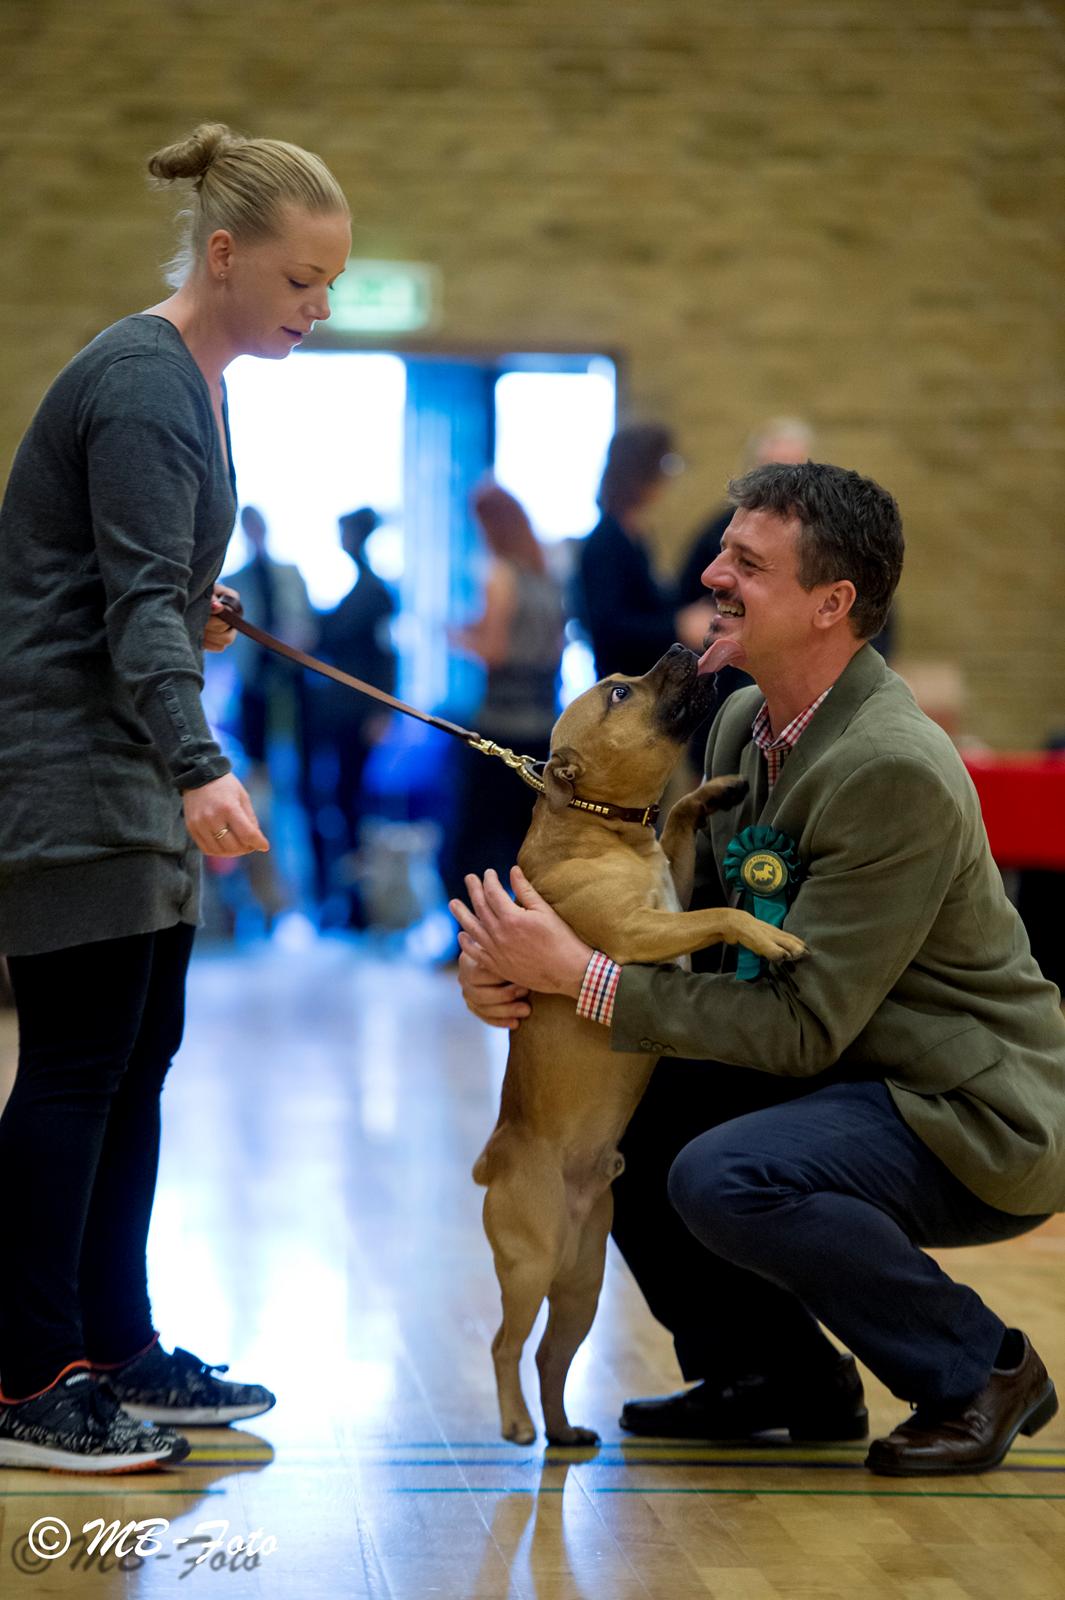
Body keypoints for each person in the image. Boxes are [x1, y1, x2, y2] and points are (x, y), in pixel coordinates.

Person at [451, 460, 1065, 1477]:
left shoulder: (891, 766)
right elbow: (701, 946)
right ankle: (775, 1374)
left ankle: (979, 1368)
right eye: (721, 553)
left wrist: (583, 977)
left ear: (831, 603)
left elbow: (799, 1025)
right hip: (852, 1066)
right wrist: (520, 979)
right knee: (625, 1114)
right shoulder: (743, 721)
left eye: (746, 561)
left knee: (726, 1173)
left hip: (962, 1105)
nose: (712, 574)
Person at [0, 122, 351, 1473]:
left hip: (122, 762)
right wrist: (202, 762)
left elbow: (135, 587)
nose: (318, 307)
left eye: (329, 284)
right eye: (301, 280)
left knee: (132, 1062)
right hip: (71, 768)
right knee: (79, 1068)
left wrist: (193, 614)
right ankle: (30, 1377)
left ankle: (114, 1345)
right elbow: (134, 607)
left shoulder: (195, 384)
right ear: (224, 255)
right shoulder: (147, 381)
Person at [443, 481, 564, 908]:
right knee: (527, 839)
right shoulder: (545, 574)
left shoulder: (499, 576)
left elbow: (494, 650)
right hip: (542, 721)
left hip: (500, 724)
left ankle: (475, 926)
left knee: (475, 841)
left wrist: (456, 637)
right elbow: (555, 646)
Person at [307, 506, 398, 924]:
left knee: (353, 803)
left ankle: (361, 903)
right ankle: (348, 900)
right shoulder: (360, 590)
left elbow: (385, 656)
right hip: (343, 713)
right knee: (342, 801)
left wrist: (382, 711)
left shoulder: (374, 593)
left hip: (358, 714)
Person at [576, 425, 712, 680]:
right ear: (640, 473)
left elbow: (648, 604)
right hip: (621, 685)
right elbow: (610, 628)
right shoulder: (606, 541)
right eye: (664, 465)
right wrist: (678, 626)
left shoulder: (635, 535)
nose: (668, 477)